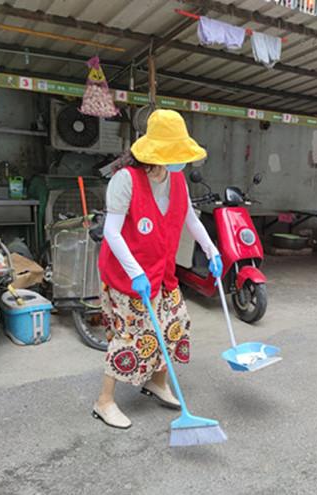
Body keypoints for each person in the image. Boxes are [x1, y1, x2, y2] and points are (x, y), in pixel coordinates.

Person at [92, 110, 222, 429]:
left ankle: (157, 382)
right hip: (127, 275)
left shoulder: (177, 179)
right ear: (157, 152)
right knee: (133, 335)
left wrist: (212, 249)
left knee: (176, 322)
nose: (181, 161)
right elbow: (111, 231)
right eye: (175, 153)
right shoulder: (126, 180)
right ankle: (104, 401)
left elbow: (190, 218)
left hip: (162, 271)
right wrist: (135, 272)